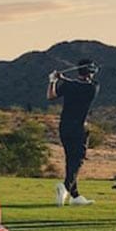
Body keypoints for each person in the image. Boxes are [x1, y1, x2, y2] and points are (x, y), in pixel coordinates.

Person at [47, 59, 100, 206]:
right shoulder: (93, 87)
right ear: (90, 73)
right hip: (79, 129)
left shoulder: (68, 86)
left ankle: (75, 196)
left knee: (70, 160)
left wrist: (53, 81)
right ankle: (64, 187)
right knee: (78, 160)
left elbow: (50, 96)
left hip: (64, 127)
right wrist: (64, 79)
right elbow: (80, 85)